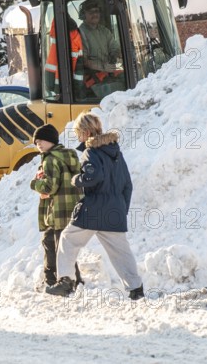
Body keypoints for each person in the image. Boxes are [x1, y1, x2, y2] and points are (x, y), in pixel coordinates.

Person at [45, 112, 144, 300]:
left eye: (78, 133)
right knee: (121, 252)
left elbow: (94, 176)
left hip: (93, 209)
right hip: (114, 211)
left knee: (68, 239)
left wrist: (77, 180)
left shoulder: (90, 152)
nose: (77, 137)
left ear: (86, 132)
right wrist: (122, 209)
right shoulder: (116, 152)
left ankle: (65, 282)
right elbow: (127, 185)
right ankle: (136, 289)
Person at [30, 124, 83, 292]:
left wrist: (35, 183)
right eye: (36, 141)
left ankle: (53, 280)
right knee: (63, 245)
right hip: (72, 208)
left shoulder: (50, 159)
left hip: (58, 211)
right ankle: (75, 280)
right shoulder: (69, 156)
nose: (38, 143)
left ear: (51, 140)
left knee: (52, 244)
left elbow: (49, 187)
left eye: (41, 140)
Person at [78, 0, 124, 96]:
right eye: (91, 12)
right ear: (83, 15)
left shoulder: (104, 31)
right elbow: (83, 61)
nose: (95, 14)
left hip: (107, 73)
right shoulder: (81, 33)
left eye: (96, 11)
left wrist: (117, 55)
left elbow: (115, 47)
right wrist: (103, 66)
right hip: (92, 77)